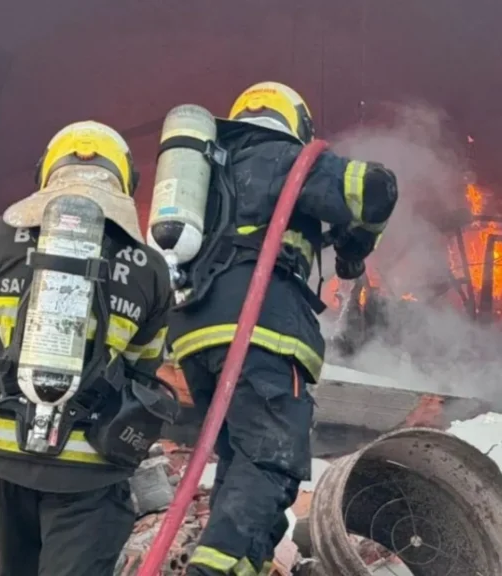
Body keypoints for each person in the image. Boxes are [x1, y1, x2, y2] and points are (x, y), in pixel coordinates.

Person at [167, 82, 398, 576]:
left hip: (196, 335)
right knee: (272, 462)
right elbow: (377, 190)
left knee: (240, 464)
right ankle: (213, 571)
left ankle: (236, 565)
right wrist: (355, 248)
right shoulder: (283, 157)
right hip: (262, 329)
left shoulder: (204, 175)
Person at [0, 121, 175, 576]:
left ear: (47, 173)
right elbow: (143, 373)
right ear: (126, 182)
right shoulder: (149, 267)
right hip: (88, 467)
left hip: (0, 455)